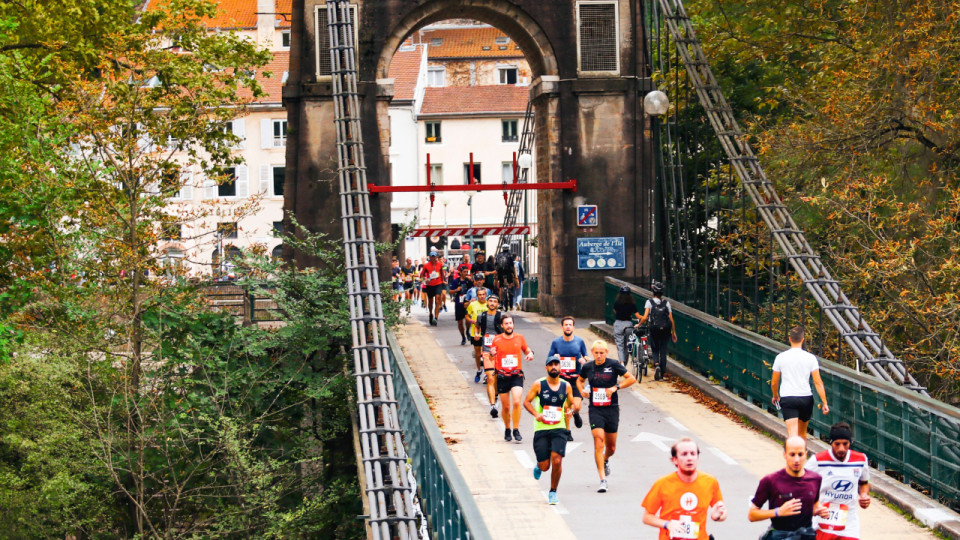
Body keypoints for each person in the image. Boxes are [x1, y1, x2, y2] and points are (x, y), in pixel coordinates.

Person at [576, 339, 637, 492]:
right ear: (592, 353)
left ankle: (605, 459)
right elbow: (579, 380)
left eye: (601, 353)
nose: (598, 356)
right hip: (595, 409)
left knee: (611, 447)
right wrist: (582, 390)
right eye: (596, 353)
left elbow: (632, 378)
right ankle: (602, 480)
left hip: (611, 409)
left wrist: (615, 387)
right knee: (598, 439)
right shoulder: (588, 366)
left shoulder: (613, 364)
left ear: (606, 353)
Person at [642, 437, 727, 539]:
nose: (689, 458)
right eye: (684, 454)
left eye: (693, 454)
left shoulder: (710, 482)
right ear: (675, 460)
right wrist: (667, 524)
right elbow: (647, 517)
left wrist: (718, 516)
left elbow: (721, 512)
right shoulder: (662, 483)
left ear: (698, 458)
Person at [749, 436, 828, 540]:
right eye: (792, 454)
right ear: (784, 454)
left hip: (805, 535)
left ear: (806, 454)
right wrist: (778, 512)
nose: (796, 459)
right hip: (780, 535)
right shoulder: (770, 481)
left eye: (800, 454)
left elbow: (814, 505)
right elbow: (752, 514)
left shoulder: (815, 479)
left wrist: (819, 511)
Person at [805, 422, 871, 540]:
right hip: (823, 522)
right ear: (831, 443)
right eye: (837, 444)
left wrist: (864, 494)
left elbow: (864, 483)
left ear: (850, 443)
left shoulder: (861, 460)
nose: (841, 448)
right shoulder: (818, 461)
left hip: (849, 524)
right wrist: (814, 506)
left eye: (845, 444)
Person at [523, 355, 574, 505]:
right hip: (542, 428)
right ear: (546, 368)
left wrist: (571, 410)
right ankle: (539, 465)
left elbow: (572, 404)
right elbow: (526, 402)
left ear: (560, 367)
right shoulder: (538, 384)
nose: (553, 367)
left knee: (557, 460)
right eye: (550, 364)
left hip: (559, 427)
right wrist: (536, 414)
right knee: (546, 466)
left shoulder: (566, 386)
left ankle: (552, 492)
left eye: (556, 364)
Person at [771, 326, 830, 439]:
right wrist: (824, 402)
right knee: (802, 434)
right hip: (805, 398)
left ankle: (792, 455)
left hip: (788, 397)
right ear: (803, 340)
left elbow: (774, 382)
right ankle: (802, 456)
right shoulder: (811, 358)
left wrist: (775, 395)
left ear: (789, 339)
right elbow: (818, 382)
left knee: (792, 435)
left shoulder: (780, 357)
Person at [492, 314, 534, 442]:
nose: (509, 326)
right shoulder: (497, 339)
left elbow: (527, 349)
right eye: (506, 323)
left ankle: (516, 429)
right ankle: (507, 428)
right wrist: (491, 354)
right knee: (505, 407)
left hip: (516, 375)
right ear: (502, 326)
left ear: (513, 324)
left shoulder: (519, 337)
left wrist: (530, 353)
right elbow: (490, 357)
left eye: (511, 323)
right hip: (502, 376)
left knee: (516, 402)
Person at [547, 316, 588, 441]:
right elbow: (549, 360)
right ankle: (567, 431)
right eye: (566, 325)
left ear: (574, 327)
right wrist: (555, 357)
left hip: (576, 379)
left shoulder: (579, 341)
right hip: (562, 379)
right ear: (562, 327)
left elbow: (586, 357)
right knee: (565, 406)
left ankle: (576, 414)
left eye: (570, 325)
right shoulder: (556, 342)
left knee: (576, 406)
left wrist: (584, 360)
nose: (568, 327)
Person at [638, 281, 678, 380]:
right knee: (663, 351)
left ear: (653, 292)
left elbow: (645, 317)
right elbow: (671, 319)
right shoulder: (666, 303)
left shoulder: (649, 302)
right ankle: (662, 374)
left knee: (655, 348)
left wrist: (639, 324)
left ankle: (656, 365)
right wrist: (673, 332)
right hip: (666, 329)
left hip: (654, 328)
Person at [477, 295, 505, 406]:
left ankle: (496, 395)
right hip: (486, 350)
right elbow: (477, 326)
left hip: (499, 351)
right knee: (490, 378)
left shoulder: (501, 316)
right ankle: (492, 405)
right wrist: (476, 334)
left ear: (498, 304)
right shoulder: (481, 316)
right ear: (487, 303)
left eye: (495, 301)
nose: (492, 303)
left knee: (497, 378)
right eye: (490, 301)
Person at [612, 286, 642, 371]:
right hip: (628, 325)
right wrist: (644, 318)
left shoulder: (617, 302)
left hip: (618, 324)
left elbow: (615, 311)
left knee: (620, 345)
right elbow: (638, 316)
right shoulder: (632, 304)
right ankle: (626, 362)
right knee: (627, 344)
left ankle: (622, 363)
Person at [465, 289, 489, 389]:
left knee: (486, 354)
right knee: (478, 353)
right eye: (480, 295)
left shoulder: (489, 304)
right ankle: (479, 370)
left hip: (487, 333)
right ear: (477, 296)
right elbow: (466, 315)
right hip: (475, 333)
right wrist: (471, 320)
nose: (482, 296)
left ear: (486, 295)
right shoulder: (473, 305)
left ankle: (487, 374)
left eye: (483, 294)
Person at [420, 250, 445, 326]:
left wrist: (443, 281)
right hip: (430, 285)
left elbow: (442, 273)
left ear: (437, 257)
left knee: (437, 299)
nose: (433, 258)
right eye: (432, 257)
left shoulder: (440, 264)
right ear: (430, 257)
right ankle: (431, 314)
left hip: (438, 284)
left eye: (435, 257)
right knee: (430, 301)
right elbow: (421, 275)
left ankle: (436, 318)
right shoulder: (426, 265)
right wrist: (425, 279)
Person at [449, 269, 469, 345]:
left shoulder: (469, 280)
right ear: (460, 273)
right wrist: (456, 290)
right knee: (460, 322)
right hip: (459, 303)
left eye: (466, 272)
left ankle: (467, 330)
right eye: (464, 272)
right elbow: (450, 291)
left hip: (467, 302)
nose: (466, 273)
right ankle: (463, 337)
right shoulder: (456, 281)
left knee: (468, 319)